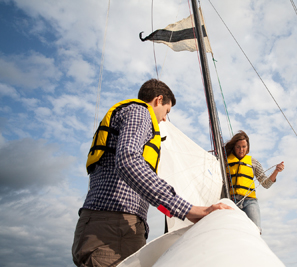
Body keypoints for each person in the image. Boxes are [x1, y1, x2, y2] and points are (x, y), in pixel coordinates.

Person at [72, 79, 232, 267]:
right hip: (113, 228)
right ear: (158, 100)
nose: (165, 119)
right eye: (167, 111)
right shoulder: (139, 112)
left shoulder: (128, 114)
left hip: (110, 226)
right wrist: (188, 210)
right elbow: (128, 161)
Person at [224, 130, 284, 232]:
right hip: (232, 202)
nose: (241, 150)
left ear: (248, 148)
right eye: (238, 147)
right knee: (233, 232)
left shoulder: (253, 162)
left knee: (255, 231)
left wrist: (276, 171)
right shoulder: (225, 162)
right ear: (234, 147)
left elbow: (266, 184)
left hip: (249, 202)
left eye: (244, 147)